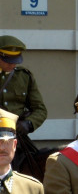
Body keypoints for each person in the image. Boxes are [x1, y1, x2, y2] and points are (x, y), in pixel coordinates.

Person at [0, 35, 47, 171]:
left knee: (37, 166)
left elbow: (40, 109)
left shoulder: (24, 76)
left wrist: (28, 124)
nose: (12, 64)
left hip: (17, 136)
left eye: (15, 60)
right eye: (7, 60)